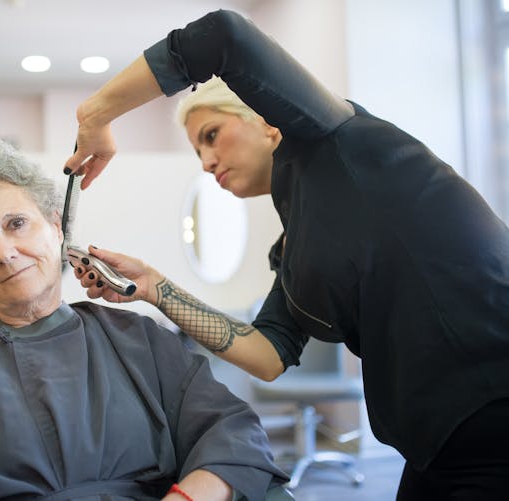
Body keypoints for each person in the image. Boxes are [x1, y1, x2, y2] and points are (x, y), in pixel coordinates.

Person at [63, 9, 509, 500]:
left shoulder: (339, 139)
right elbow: (268, 353)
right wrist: (154, 287)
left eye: (211, 135)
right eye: (197, 153)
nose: (208, 161)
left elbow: (221, 36)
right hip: (438, 445)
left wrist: (97, 114)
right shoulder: (294, 248)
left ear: (268, 121)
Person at [0, 136, 289, 501]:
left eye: (16, 224)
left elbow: (232, 430)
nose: (3, 252)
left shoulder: (137, 338)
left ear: (57, 228)